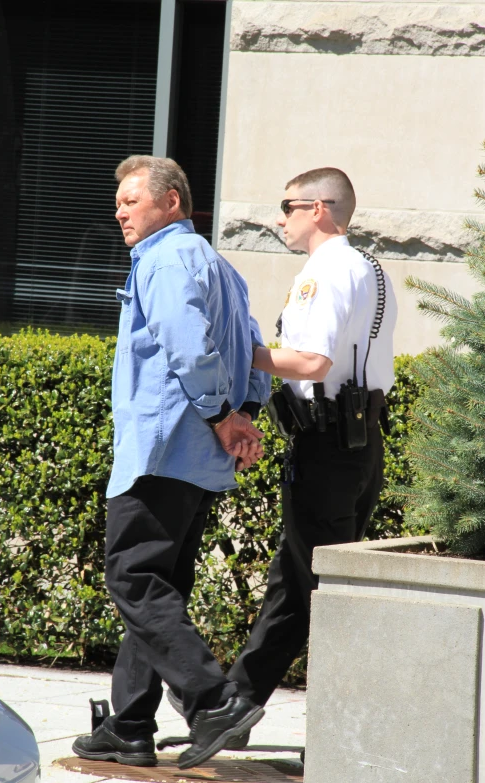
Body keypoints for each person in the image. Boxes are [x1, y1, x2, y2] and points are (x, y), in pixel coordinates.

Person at [184, 166, 398, 756]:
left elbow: (310, 363)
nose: (280, 218)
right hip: (356, 444)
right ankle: (234, 704)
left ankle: (324, 725)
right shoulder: (371, 269)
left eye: (288, 205)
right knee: (299, 582)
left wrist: (243, 353)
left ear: (321, 210)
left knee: (316, 586)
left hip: (327, 448)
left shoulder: (325, 273)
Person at [71, 155, 270, 770]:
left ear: (171, 203)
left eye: (132, 200)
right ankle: (129, 726)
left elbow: (186, 341)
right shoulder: (220, 265)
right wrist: (242, 415)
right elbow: (250, 345)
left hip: (161, 448)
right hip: (196, 457)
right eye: (119, 202)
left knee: (132, 579)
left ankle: (212, 701)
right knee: (160, 587)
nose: (119, 211)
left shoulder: (162, 258)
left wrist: (220, 416)